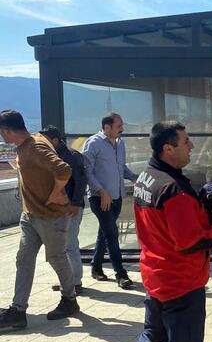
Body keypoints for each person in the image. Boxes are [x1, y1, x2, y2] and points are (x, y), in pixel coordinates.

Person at [117, 121, 212, 342]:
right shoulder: (174, 189)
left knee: (153, 338)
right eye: (186, 141)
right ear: (168, 148)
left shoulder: (147, 178)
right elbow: (190, 241)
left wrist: (199, 206)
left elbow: (168, 226)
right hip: (182, 281)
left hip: (156, 276)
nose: (191, 146)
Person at [0, 110, 79, 330]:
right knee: (23, 259)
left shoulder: (36, 147)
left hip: (50, 216)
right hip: (30, 215)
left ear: (7, 130)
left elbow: (64, 169)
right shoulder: (29, 143)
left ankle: (70, 299)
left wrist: (56, 192)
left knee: (56, 258)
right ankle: (18, 311)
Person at [81, 112, 139, 289]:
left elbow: (121, 167)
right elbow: (86, 170)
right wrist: (101, 190)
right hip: (100, 199)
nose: (122, 129)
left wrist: (135, 178)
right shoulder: (93, 143)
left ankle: (96, 267)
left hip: (117, 196)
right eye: (118, 126)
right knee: (112, 235)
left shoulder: (120, 144)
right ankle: (121, 274)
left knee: (104, 233)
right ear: (107, 127)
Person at [41, 125, 87, 296]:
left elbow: (81, 181)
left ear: (55, 140)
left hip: (71, 207)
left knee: (70, 244)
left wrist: (75, 203)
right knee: (62, 245)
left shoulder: (72, 156)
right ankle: (67, 280)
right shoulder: (51, 155)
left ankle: (76, 281)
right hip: (58, 207)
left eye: (46, 140)